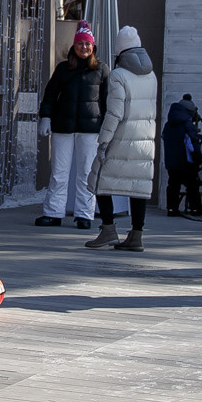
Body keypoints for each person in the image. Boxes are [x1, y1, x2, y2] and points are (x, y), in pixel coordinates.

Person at [84, 26, 157, 250]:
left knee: (99, 179)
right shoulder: (151, 75)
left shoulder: (118, 75)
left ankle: (108, 229)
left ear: (120, 51)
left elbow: (114, 113)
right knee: (138, 186)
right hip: (145, 140)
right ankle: (136, 236)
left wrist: (103, 140)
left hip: (121, 138)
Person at [37, 24, 106, 229]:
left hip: (90, 129)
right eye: (80, 44)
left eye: (87, 44)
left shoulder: (101, 69)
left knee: (86, 173)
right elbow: (50, 94)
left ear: (93, 46)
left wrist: (107, 127)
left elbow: (107, 100)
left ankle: (84, 215)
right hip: (63, 127)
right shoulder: (63, 68)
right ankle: (53, 213)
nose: (84, 47)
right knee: (59, 172)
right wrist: (46, 117)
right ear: (74, 46)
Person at [162, 94, 202, 217]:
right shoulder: (188, 125)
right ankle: (195, 209)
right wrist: (197, 158)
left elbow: (164, 139)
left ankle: (172, 209)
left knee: (173, 185)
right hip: (186, 162)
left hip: (171, 162)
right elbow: (192, 144)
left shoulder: (168, 125)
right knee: (192, 185)